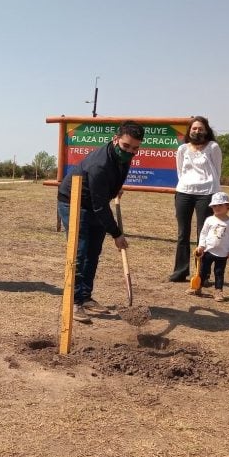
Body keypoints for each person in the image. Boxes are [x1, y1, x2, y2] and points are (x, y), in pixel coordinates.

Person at [57, 121, 145, 323]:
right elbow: (99, 206)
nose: (130, 152)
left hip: (95, 202)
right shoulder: (100, 164)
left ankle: (85, 297)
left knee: (93, 252)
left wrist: (113, 189)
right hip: (74, 201)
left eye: (135, 148)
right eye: (126, 146)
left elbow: (110, 185)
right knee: (80, 250)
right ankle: (73, 302)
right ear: (116, 139)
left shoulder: (124, 156)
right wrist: (116, 234)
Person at [168, 115, 222, 283]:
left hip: (206, 193)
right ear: (189, 131)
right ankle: (180, 271)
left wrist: (213, 190)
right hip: (184, 192)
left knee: (203, 234)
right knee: (182, 234)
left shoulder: (213, 147)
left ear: (206, 131)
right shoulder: (183, 149)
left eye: (200, 128)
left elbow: (217, 170)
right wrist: (185, 184)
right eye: (194, 128)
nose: (197, 131)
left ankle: (202, 274)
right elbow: (180, 171)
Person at [188, 191, 229, 302]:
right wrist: (201, 246)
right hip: (208, 251)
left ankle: (218, 291)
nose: (217, 207)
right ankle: (197, 288)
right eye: (214, 205)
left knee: (219, 273)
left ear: (228, 207)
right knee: (202, 271)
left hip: (223, 253)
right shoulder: (209, 220)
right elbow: (203, 233)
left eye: (220, 205)